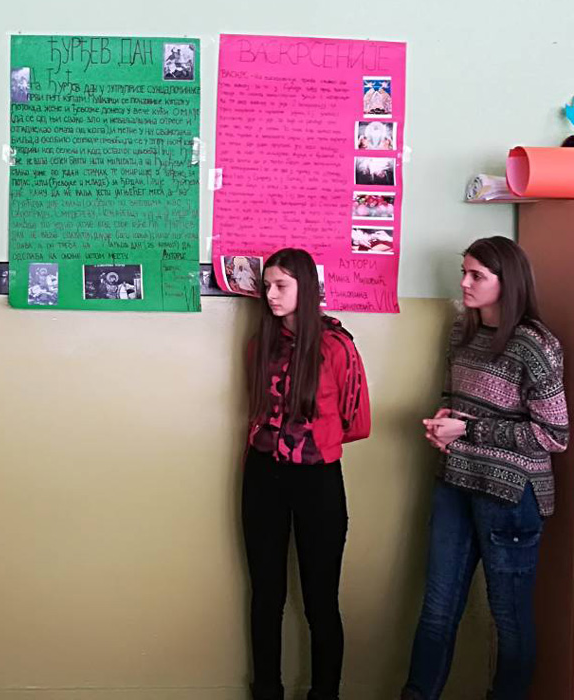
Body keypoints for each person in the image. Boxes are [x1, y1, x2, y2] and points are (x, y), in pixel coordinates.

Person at [401, 236, 569, 700]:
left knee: (509, 618)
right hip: (456, 481)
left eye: (477, 275)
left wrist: (469, 430)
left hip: (511, 497)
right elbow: (457, 398)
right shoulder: (463, 330)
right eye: (464, 272)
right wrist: (444, 422)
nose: (464, 283)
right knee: (437, 609)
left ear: (507, 282)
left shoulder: (535, 344)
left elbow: (554, 435)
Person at [243, 248, 371, 700]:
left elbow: (357, 422)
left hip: (317, 480)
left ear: (307, 288)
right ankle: (266, 689)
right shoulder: (260, 345)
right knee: (266, 596)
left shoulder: (337, 346)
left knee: (321, 599)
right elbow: (257, 407)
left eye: (281, 285)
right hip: (263, 477)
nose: (271, 295)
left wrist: (311, 444)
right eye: (267, 286)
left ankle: (325, 692)